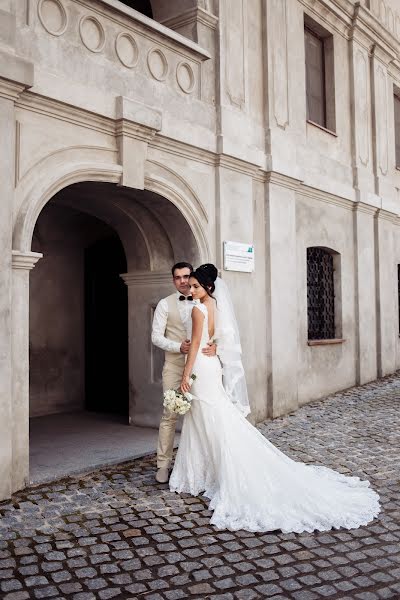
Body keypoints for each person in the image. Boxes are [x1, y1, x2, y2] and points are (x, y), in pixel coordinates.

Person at [169, 264, 381, 533]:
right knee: (209, 417)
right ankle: (204, 472)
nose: (192, 288)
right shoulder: (215, 306)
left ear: (208, 287)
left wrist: (185, 376)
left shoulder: (199, 309)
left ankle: (214, 473)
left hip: (200, 366)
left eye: (197, 285)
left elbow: (197, 344)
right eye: (192, 285)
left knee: (211, 419)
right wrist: (217, 348)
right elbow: (224, 338)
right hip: (212, 368)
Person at [151, 262, 216, 484]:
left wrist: (216, 345)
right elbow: (156, 337)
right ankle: (163, 465)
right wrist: (178, 347)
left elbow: (218, 330)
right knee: (169, 415)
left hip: (200, 367)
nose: (183, 281)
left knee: (201, 415)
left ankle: (204, 465)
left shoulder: (205, 302)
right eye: (177, 277)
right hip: (175, 366)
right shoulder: (164, 304)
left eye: (186, 276)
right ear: (173, 280)